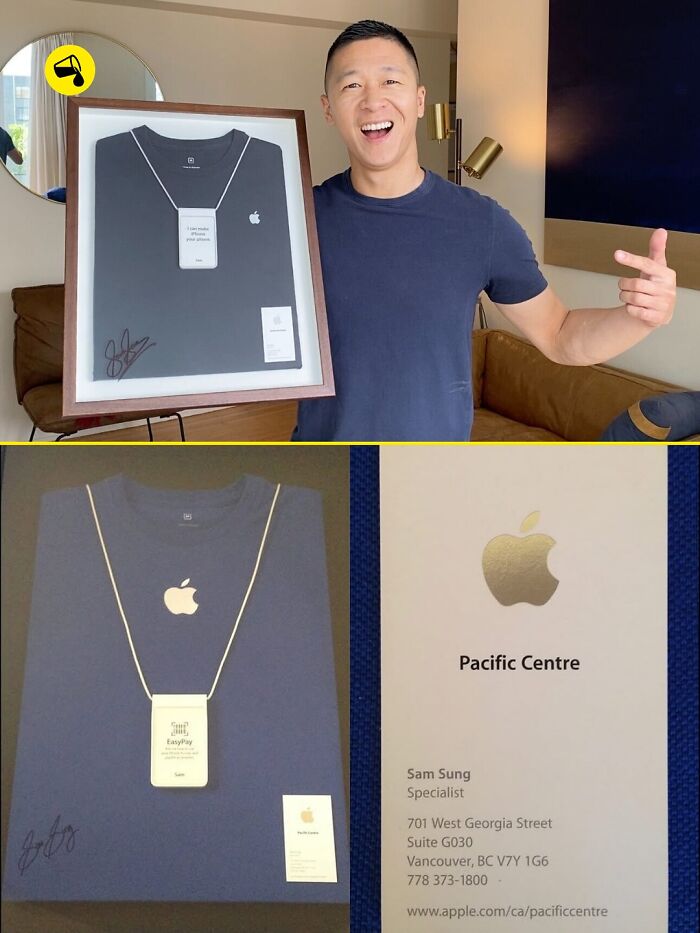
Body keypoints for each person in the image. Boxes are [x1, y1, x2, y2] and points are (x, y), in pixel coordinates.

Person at [293, 20, 677, 441]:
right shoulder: (298, 217)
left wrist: (639, 318)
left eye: (390, 81)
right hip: (326, 465)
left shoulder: (480, 222)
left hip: (434, 471)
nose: (373, 101)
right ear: (328, 108)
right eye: (352, 86)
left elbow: (560, 334)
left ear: (419, 100)